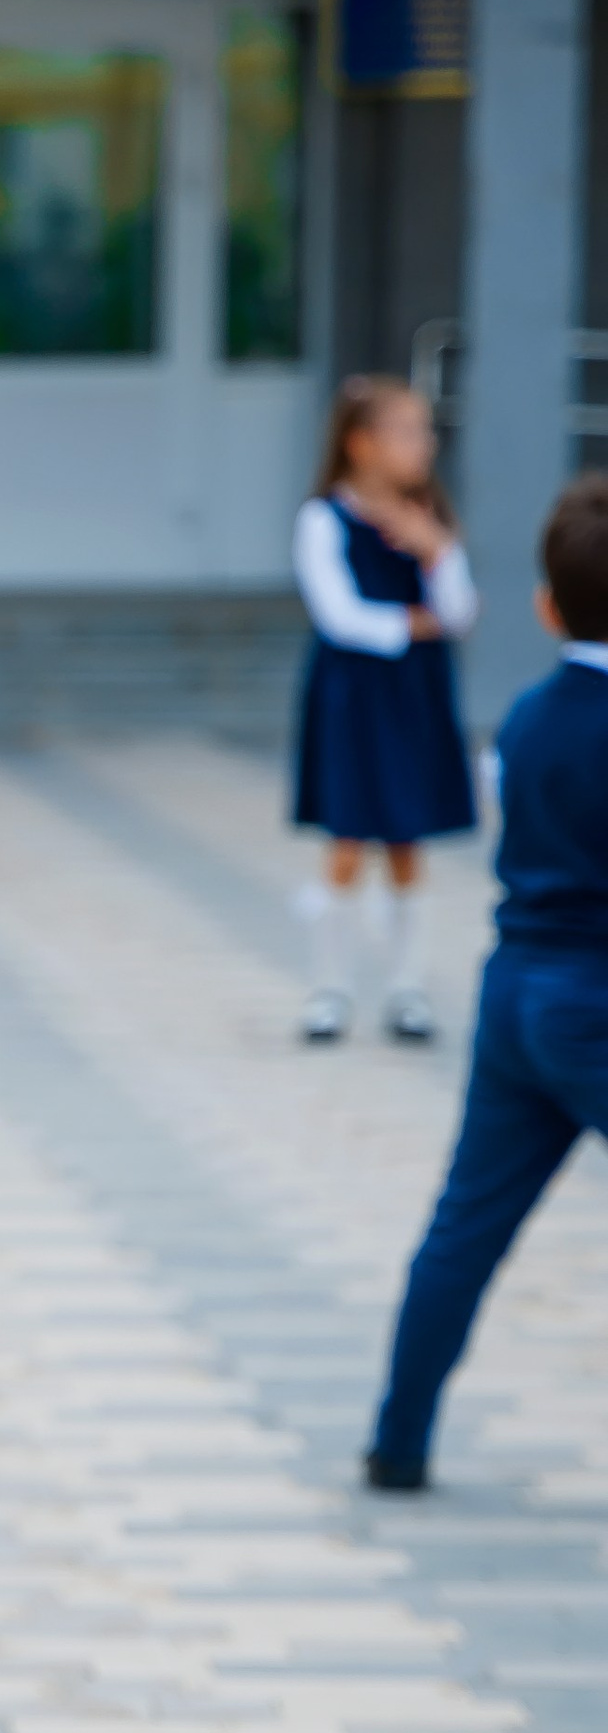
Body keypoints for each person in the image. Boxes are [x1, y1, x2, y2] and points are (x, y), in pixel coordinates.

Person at [365, 474, 608, 1492]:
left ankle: (398, 1441)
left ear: (546, 606)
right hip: (593, 999)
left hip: (513, 991)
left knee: (463, 1229)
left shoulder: (523, 716)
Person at [292, 374, 479, 1048]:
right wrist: (418, 624)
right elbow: (341, 617)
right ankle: (330, 988)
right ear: (361, 444)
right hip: (354, 697)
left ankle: (407, 988)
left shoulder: (427, 520)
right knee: (346, 841)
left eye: (424, 431)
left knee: (407, 841)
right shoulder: (323, 518)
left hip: (413, 698)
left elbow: (460, 610)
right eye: (406, 431)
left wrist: (436, 550)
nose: (422, 444)